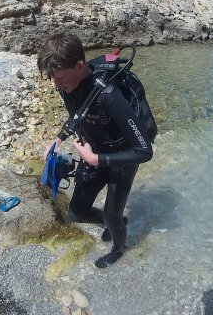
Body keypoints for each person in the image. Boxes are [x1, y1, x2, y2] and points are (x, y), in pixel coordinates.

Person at [37, 32, 154, 268]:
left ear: (79, 66)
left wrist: (94, 158)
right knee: (76, 214)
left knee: (112, 214)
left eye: (59, 78)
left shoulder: (109, 95)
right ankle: (115, 222)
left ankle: (120, 246)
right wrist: (58, 139)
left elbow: (144, 151)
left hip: (122, 159)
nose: (56, 84)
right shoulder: (67, 86)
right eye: (53, 78)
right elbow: (78, 116)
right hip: (93, 156)